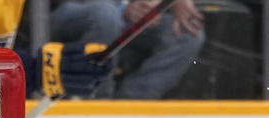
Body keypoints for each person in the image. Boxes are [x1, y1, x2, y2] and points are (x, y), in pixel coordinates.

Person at [50, 0, 205, 99]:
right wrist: (124, 8)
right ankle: (99, 103)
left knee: (188, 36)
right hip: (71, 10)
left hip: (124, 16)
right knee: (106, 15)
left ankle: (131, 104)